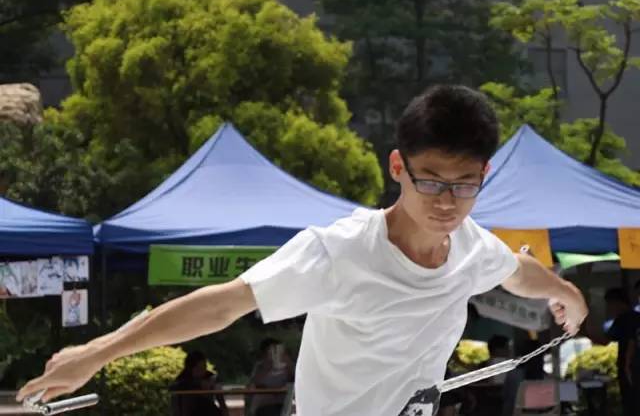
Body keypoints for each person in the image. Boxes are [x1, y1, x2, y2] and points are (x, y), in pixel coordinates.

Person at [17, 85, 588, 416]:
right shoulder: (338, 252)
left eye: (463, 185)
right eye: (431, 181)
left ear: (484, 176)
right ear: (397, 166)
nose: (446, 201)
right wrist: (95, 353)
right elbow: (221, 304)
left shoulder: (470, 244)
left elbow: (518, 272)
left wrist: (566, 293)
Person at [603, 288, 640, 416]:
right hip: (633, 367)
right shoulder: (637, 317)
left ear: (617, 302)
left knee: (631, 404)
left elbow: (631, 341)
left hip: (630, 369)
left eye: (610, 305)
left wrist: (627, 366)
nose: (609, 309)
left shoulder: (623, 319)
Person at [170, 350, 228, 416]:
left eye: (204, 367)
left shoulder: (209, 377)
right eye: (199, 368)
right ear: (190, 369)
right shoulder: (182, 379)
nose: (203, 371)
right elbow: (175, 387)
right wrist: (198, 384)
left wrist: (216, 387)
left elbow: (222, 404)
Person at [248, 338, 295, 416]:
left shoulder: (287, 367)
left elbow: (295, 380)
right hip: (264, 404)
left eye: (278, 350)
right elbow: (254, 384)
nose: (275, 354)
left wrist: (288, 362)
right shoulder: (260, 366)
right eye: (272, 351)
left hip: (283, 404)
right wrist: (268, 365)